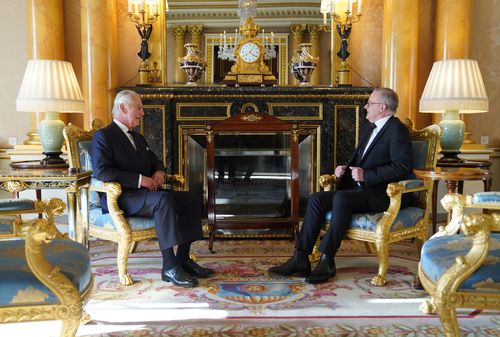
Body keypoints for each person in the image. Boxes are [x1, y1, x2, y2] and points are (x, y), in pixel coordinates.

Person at [268, 87, 413, 284]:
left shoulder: (397, 130)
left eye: (369, 103)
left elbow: (402, 167)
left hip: (381, 193)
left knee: (341, 198)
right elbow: (362, 160)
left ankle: (327, 260)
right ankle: (300, 258)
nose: (365, 107)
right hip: (361, 189)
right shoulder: (371, 127)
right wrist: (344, 170)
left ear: (382, 107)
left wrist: (366, 175)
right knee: (316, 198)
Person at [90, 90, 214, 288]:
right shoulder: (103, 136)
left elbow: (155, 161)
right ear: (123, 108)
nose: (143, 112)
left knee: (191, 198)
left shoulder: (138, 138)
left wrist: (159, 173)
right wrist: (140, 180)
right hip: (123, 197)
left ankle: (183, 259)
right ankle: (169, 267)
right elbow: (103, 172)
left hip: (145, 195)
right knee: (164, 201)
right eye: (138, 108)